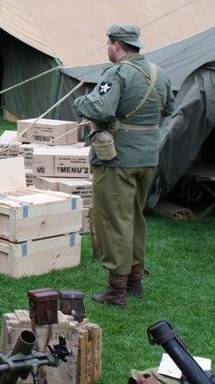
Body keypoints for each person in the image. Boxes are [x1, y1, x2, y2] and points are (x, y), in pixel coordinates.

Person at [74, 24, 173, 308]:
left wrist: (81, 101)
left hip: (117, 159)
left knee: (114, 220)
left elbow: (100, 108)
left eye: (108, 43)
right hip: (148, 157)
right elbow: (168, 108)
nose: (108, 47)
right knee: (135, 218)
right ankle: (135, 281)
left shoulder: (117, 73)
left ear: (116, 45)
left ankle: (117, 288)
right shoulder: (159, 73)